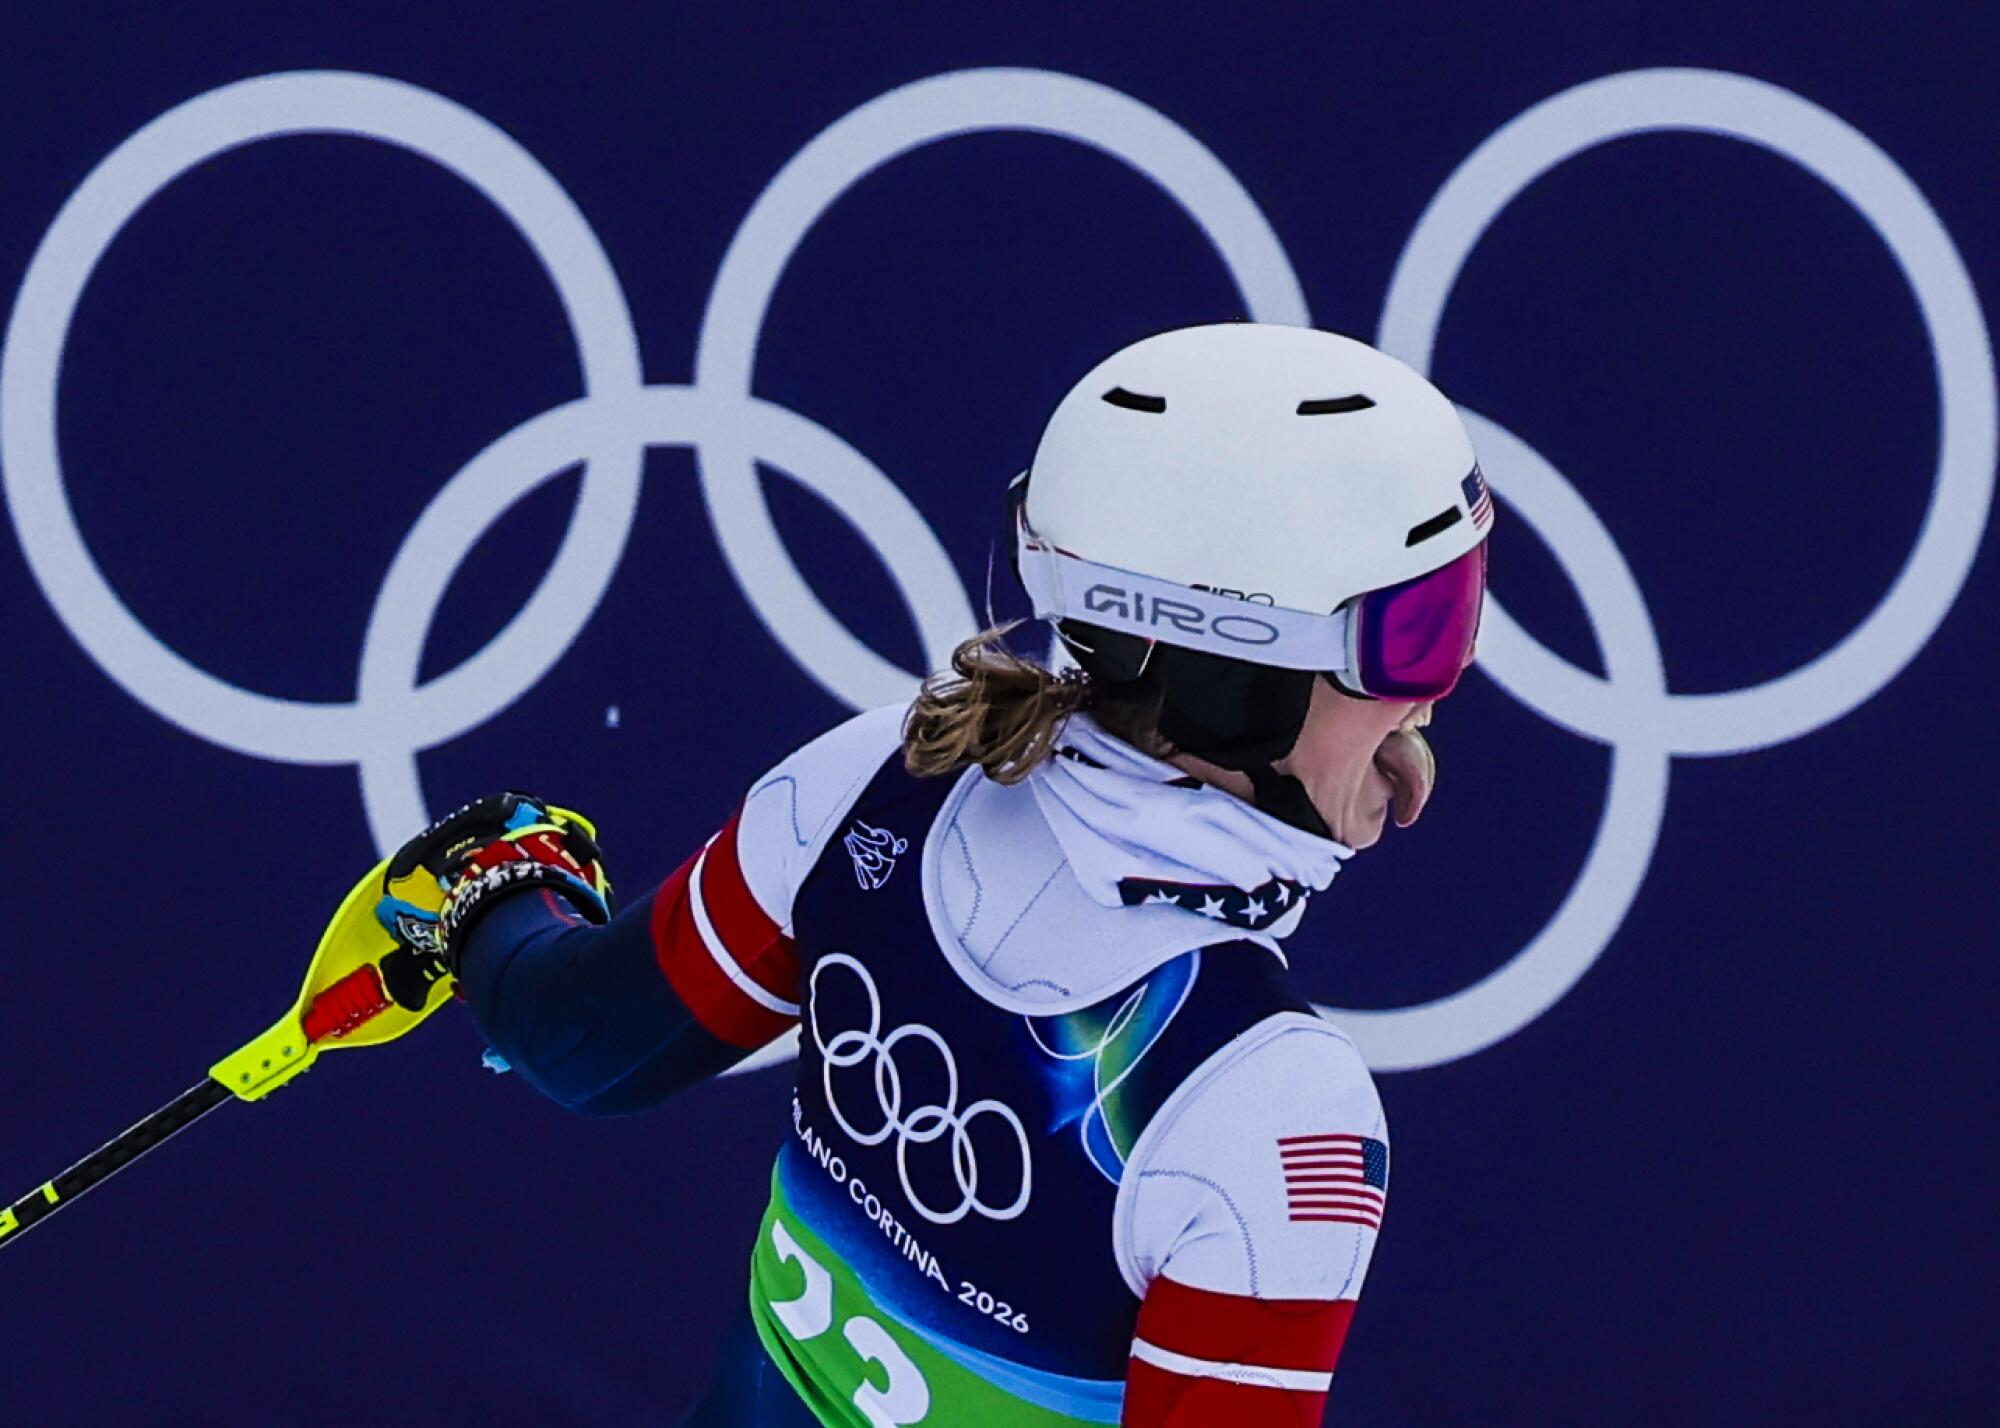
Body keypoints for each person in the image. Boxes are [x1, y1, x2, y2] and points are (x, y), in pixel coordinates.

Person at [399, 323, 1492, 1426]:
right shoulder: (1270, 1104)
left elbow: (583, 1045)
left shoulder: (883, 779)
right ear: (1233, 672)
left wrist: (486, 888)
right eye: (1417, 632)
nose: (1438, 688)